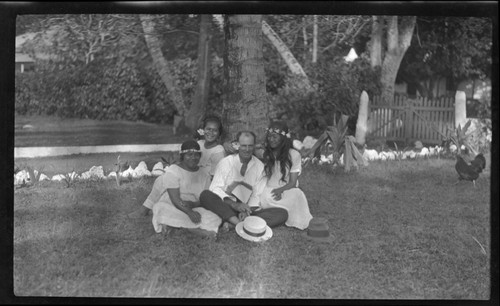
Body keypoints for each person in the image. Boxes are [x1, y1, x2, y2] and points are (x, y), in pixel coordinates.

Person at [199, 131, 288, 230]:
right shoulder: (226, 162)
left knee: (282, 214)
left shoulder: (259, 166)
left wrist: (246, 211)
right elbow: (215, 188)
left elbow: (256, 195)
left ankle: (233, 224)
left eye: (250, 146)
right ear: (237, 146)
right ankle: (239, 224)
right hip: (227, 205)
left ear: (254, 146)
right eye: (243, 146)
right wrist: (235, 205)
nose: (247, 149)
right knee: (205, 195)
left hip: (247, 209)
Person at [133, 140, 222, 237]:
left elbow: (204, 198)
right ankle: (191, 229)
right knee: (159, 208)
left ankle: (175, 226)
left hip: (194, 206)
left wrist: (193, 205)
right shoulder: (173, 170)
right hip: (174, 204)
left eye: (196, 155)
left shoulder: (204, 174)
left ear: (200, 156)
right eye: (189, 154)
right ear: (182, 156)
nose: (193, 158)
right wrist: (189, 212)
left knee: (215, 218)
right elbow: (174, 198)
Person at [259, 121, 313, 230]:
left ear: (284, 138)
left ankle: (282, 214)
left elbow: (292, 183)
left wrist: (281, 190)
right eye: (269, 136)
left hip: (287, 189)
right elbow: (250, 148)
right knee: (268, 197)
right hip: (268, 191)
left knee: (298, 195)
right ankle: (276, 212)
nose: (271, 139)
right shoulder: (265, 153)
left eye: (275, 137)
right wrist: (261, 145)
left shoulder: (294, 155)